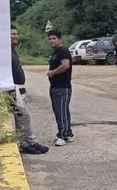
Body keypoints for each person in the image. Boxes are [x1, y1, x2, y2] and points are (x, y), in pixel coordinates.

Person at [10, 26, 48, 154]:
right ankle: (30, 142)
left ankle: (25, 143)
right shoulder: (5, 52)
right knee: (23, 115)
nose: (16, 36)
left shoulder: (13, 51)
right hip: (13, 89)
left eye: (16, 34)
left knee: (21, 118)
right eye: (12, 34)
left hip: (19, 88)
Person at [46, 29, 74, 147]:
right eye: (50, 39)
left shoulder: (62, 51)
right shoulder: (56, 52)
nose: (51, 40)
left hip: (61, 87)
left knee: (60, 111)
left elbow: (65, 65)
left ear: (60, 39)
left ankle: (62, 135)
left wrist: (53, 72)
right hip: (56, 86)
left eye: (54, 38)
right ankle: (68, 133)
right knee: (62, 111)